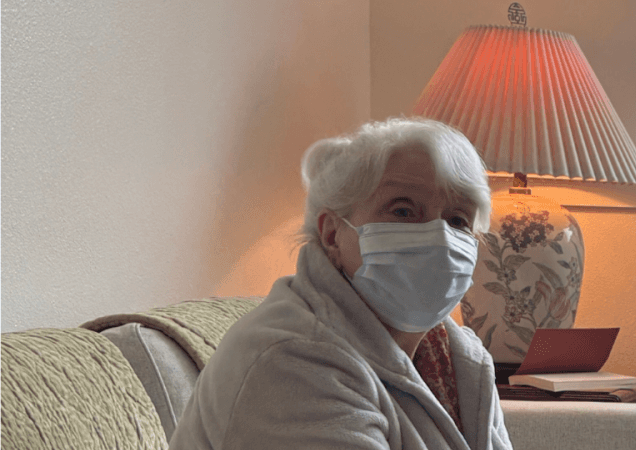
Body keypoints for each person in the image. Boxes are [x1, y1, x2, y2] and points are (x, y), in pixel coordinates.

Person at [171, 118, 514, 449]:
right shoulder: (294, 361)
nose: (439, 237)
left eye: (457, 220)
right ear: (333, 233)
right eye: (403, 211)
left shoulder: (459, 358)